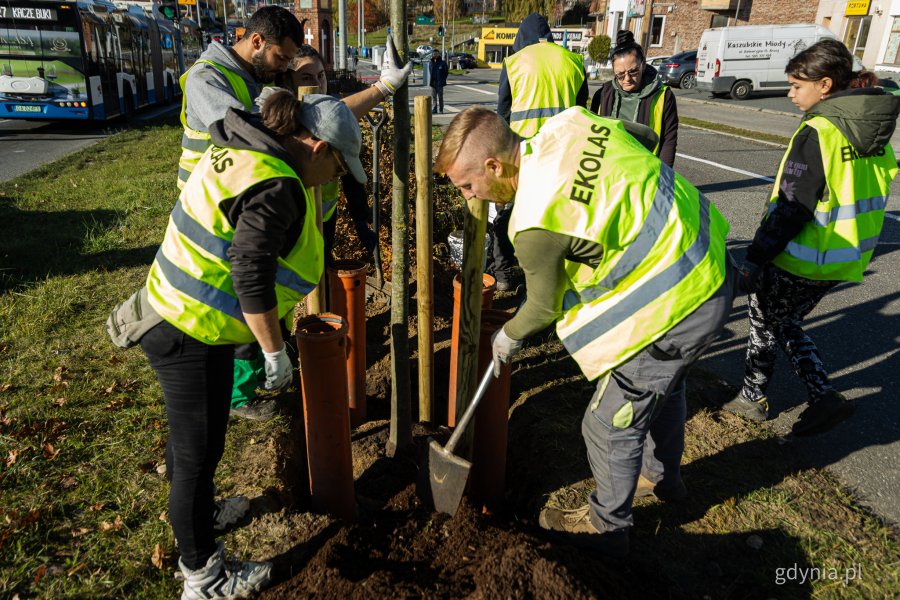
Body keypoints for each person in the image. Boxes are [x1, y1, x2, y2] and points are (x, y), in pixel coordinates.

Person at [435, 106, 734, 558]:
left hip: (678, 298)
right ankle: (662, 479)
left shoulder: (534, 222)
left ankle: (607, 529)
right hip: (708, 254)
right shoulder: (572, 124)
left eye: (467, 185)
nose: (469, 197)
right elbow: (644, 138)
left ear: (494, 166)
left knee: (606, 424)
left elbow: (543, 305)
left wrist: (508, 336)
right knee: (665, 387)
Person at [142, 91, 366, 598]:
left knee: (193, 444)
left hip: (178, 309)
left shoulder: (246, 148)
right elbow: (249, 271)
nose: (333, 177)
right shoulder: (277, 183)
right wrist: (273, 350)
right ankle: (204, 577)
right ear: (316, 147)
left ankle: (202, 516)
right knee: (196, 455)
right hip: (190, 329)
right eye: (336, 166)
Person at [722, 39, 898, 436]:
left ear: (825, 85)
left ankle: (756, 398)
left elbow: (792, 206)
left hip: (803, 255)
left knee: (765, 317)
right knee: (786, 320)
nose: (790, 94)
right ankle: (819, 397)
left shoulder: (820, 132)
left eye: (797, 86)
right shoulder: (871, 131)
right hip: (845, 255)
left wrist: (756, 257)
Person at [275, 42, 412, 264]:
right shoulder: (286, 126)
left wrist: (360, 220)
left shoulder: (329, 117)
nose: (317, 84)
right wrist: (384, 86)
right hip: (297, 223)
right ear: (289, 81)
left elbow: (347, 168)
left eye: (321, 76)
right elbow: (334, 113)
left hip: (325, 217)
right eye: (306, 78)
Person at [492, 13, 588, 292]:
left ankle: (503, 273)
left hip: (523, 151)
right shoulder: (574, 61)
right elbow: (583, 111)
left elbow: (503, 112)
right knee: (554, 216)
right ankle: (548, 279)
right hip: (562, 152)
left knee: (510, 211)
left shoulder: (514, 63)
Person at [591, 30, 679, 168]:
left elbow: (669, 140)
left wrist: (663, 174)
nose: (627, 79)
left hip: (644, 170)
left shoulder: (664, 96)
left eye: (633, 71)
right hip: (609, 170)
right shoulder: (603, 94)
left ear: (643, 64)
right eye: (620, 74)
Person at [429, 49, 449, 114]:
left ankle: (441, 110)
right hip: (433, 83)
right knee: (434, 97)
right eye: (434, 54)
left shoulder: (443, 63)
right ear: (432, 54)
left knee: (440, 97)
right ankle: (434, 109)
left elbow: (446, 72)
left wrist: (442, 80)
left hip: (440, 83)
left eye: (436, 54)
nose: (435, 55)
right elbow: (430, 71)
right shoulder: (431, 62)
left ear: (439, 54)